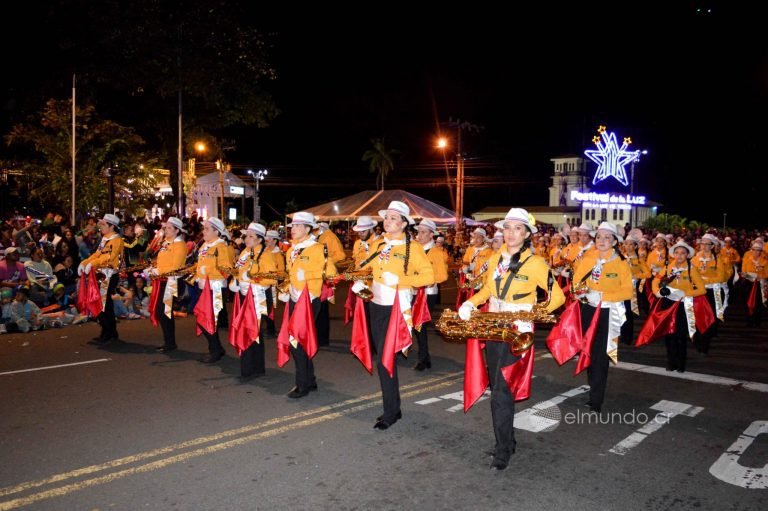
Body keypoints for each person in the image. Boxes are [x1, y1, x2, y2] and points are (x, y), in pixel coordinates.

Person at [459, 208, 564, 470]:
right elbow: (487, 289)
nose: (511, 232)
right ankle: (508, 440)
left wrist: (533, 312)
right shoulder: (496, 258)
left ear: (527, 234)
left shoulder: (536, 263)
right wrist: (470, 303)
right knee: (498, 388)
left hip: (517, 329)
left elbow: (558, 297)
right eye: (507, 227)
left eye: (518, 228)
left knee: (502, 391)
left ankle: (503, 449)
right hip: (494, 326)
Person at [354, 201, 433, 429]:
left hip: (396, 308)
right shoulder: (379, 244)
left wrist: (401, 281)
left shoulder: (413, 248)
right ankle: (393, 407)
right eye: (386, 218)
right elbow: (370, 270)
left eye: (393, 218)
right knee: (383, 356)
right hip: (376, 305)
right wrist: (361, 282)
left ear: (404, 224)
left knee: (385, 360)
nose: (388, 222)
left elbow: (429, 277)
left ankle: (391, 412)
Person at [557, 222, 633, 413]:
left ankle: (596, 399)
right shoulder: (588, 258)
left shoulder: (621, 262)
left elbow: (627, 292)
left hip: (608, 312)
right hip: (588, 310)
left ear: (614, 241)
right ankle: (593, 387)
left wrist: (602, 296)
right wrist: (581, 292)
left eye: (607, 237)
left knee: (601, 355)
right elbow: (576, 281)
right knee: (588, 350)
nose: (602, 241)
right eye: (599, 237)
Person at [278, 212, 337, 398]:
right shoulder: (291, 250)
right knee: (297, 341)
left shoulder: (318, 249)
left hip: (309, 300)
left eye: (297, 226)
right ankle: (309, 380)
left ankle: (302, 384)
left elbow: (331, 273)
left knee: (297, 343)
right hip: (295, 299)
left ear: (308, 228)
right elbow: (291, 274)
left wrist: (309, 275)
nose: (292, 229)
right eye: (292, 226)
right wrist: (286, 287)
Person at [636, 240, 710, 372]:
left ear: (687, 255)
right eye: (677, 253)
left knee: (680, 335)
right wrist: (657, 292)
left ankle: (681, 364)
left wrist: (685, 293)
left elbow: (702, 289)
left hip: (682, 305)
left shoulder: (691, 270)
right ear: (673, 254)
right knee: (668, 334)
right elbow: (656, 280)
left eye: (683, 253)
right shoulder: (668, 268)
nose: (679, 255)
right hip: (668, 303)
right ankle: (671, 362)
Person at [229, 222, 277, 381]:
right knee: (250, 331)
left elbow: (270, 279)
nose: (247, 239)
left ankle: (251, 369)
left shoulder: (266, 254)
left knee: (251, 330)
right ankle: (255, 368)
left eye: (251, 236)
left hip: (257, 296)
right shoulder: (245, 252)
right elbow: (238, 270)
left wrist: (250, 281)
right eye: (246, 236)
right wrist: (236, 280)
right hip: (244, 295)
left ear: (260, 239)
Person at [192, 217, 233, 363]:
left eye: (208, 229)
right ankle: (217, 349)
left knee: (208, 320)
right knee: (203, 319)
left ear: (217, 231)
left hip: (215, 287)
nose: (204, 231)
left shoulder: (221, 247)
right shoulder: (205, 245)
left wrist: (208, 271)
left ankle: (215, 351)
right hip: (203, 287)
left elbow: (226, 270)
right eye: (204, 228)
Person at [79, 214, 124, 345]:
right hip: (102, 275)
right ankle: (109, 332)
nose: (100, 226)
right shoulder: (105, 238)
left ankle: (108, 333)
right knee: (103, 304)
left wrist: (92, 264)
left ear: (112, 226)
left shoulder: (116, 240)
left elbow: (109, 257)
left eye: (104, 224)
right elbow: (97, 254)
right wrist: (85, 262)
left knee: (104, 305)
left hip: (110, 275)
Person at [412, 218, 447, 371]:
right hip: (413, 290)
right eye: (418, 232)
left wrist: (429, 281)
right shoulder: (415, 249)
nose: (419, 235)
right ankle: (424, 357)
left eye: (423, 232)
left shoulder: (437, 252)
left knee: (420, 325)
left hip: (428, 293)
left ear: (431, 235)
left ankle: (423, 358)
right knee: (415, 324)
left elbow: (442, 275)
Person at [149, 217, 188, 353]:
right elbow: (162, 261)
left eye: (170, 228)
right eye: (166, 227)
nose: (166, 230)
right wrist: (152, 267)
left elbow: (175, 266)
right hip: (163, 280)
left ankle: (170, 343)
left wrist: (158, 270)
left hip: (172, 281)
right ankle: (169, 342)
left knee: (164, 311)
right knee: (164, 312)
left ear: (177, 230)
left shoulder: (180, 245)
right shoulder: (165, 242)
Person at [692, 233, 728, 354]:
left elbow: (721, 277)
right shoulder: (695, 259)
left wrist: (705, 280)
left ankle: (705, 343)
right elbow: (690, 274)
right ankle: (698, 339)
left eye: (707, 244)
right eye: (702, 243)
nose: (704, 246)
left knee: (709, 318)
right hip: (698, 291)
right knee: (696, 316)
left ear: (712, 246)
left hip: (712, 292)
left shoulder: (718, 260)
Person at [314, 221, 346, 346]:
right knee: (318, 308)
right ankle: (319, 337)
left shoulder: (330, 237)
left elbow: (341, 255)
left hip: (324, 275)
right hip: (317, 276)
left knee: (321, 308)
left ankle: (322, 339)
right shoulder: (320, 237)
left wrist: (326, 261)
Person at [621, 230, 651, 345]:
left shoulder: (639, 259)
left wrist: (636, 276)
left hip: (632, 289)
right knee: (620, 312)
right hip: (621, 288)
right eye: (627, 244)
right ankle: (622, 334)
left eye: (631, 244)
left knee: (628, 312)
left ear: (635, 246)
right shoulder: (621, 258)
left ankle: (628, 336)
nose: (628, 246)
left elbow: (648, 273)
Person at [263, 230, 285, 337]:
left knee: (269, 307)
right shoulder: (264, 251)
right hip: (262, 283)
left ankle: (270, 329)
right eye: (266, 238)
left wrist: (271, 275)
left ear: (275, 241)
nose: (266, 240)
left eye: (269, 238)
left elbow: (281, 271)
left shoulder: (278, 254)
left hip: (271, 284)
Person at [741, 239, 767, 327]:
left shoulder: (765, 260)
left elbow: (767, 272)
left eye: (758, 250)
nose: (756, 252)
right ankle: (749, 320)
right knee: (747, 302)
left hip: (760, 283)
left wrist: (761, 276)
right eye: (754, 250)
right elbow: (743, 271)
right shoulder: (747, 258)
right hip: (749, 282)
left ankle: (757, 321)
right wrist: (750, 277)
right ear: (752, 250)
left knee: (759, 303)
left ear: (761, 251)